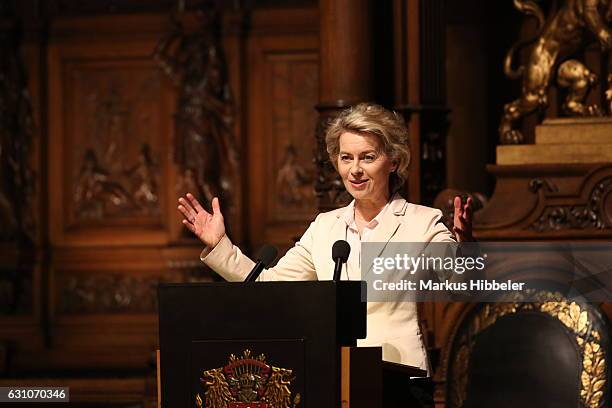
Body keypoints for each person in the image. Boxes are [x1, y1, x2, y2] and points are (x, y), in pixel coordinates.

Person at [177, 103, 473, 373]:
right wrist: (219, 245)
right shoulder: (324, 227)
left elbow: (459, 282)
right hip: (334, 374)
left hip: (399, 375)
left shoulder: (421, 222)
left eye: (367, 157)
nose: (355, 169)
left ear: (393, 161)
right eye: (346, 158)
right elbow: (269, 287)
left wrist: (465, 244)